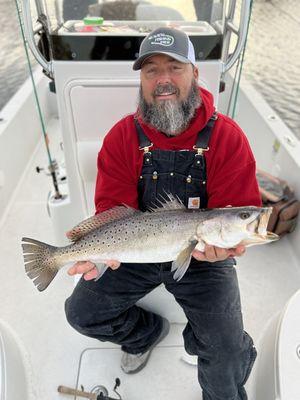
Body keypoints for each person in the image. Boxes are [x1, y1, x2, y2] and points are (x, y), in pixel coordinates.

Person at [65, 27, 261, 400]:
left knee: (226, 351)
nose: (163, 80)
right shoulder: (122, 137)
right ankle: (145, 333)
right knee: (81, 313)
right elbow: (112, 211)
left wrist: (230, 245)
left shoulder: (228, 138)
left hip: (203, 254)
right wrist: (94, 251)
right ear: (141, 80)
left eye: (174, 67)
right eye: (152, 70)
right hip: (135, 250)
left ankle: (207, 340)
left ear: (195, 73)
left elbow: (236, 213)